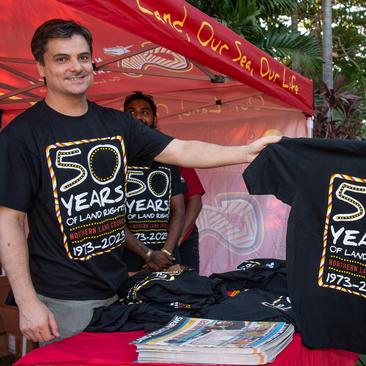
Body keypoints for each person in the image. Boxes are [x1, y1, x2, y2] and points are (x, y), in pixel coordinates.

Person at [0, 19, 278, 344]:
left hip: (121, 285)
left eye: (83, 57)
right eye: (62, 58)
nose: (76, 67)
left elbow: (183, 150)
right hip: (65, 297)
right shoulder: (21, 136)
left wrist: (246, 152)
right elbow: (9, 221)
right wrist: (27, 301)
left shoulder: (115, 123)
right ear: (41, 67)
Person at [122, 92, 186, 272]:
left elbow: (179, 210)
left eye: (144, 112)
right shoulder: (115, 159)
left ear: (154, 119)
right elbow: (113, 218)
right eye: (131, 113)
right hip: (129, 261)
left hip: (168, 259)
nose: (138, 117)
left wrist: (164, 253)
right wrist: (148, 254)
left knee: (175, 299)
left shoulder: (168, 159)